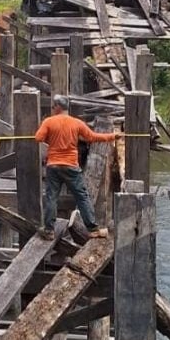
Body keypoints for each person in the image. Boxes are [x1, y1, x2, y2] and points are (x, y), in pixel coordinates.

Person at [34, 94, 118, 239]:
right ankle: (93, 229)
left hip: (53, 165)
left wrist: (51, 136)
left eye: (53, 106)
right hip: (71, 165)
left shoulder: (48, 121)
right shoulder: (76, 123)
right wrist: (112, 136)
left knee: (51, 197)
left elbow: (38, 138)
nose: (52, 108)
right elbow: (92, 137)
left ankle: (49, 231)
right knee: (82, 197)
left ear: (58, 107)